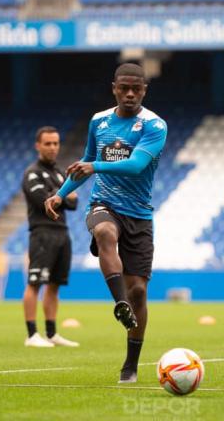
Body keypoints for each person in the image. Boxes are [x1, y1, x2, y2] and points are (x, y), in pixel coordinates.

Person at [45, 63, 167, 383]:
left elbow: (137, 165)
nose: (129, 93)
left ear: (144, 90)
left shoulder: (155, 125)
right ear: (114, 87)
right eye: (124, 87)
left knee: (139, 290)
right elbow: (83, 164)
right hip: (104, 204)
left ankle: (130, 364)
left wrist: (93, 166)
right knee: (103, 231)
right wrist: (60, 195)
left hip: (139, 215)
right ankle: (120, 302)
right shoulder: (99, 121)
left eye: (136, 89)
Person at [21, 126, 80, 348]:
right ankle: (31, 334)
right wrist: (61, 195)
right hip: (42, 232)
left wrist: (57, 196)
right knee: (35, 282)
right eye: (48, 143)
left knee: (55, 284)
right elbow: (41, 201)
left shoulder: (59, 173)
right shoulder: (32, 173)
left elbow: (74, 203)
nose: (53, 147)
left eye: (56, 143)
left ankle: (52, 333)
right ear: (38, 145)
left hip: (62, 232)